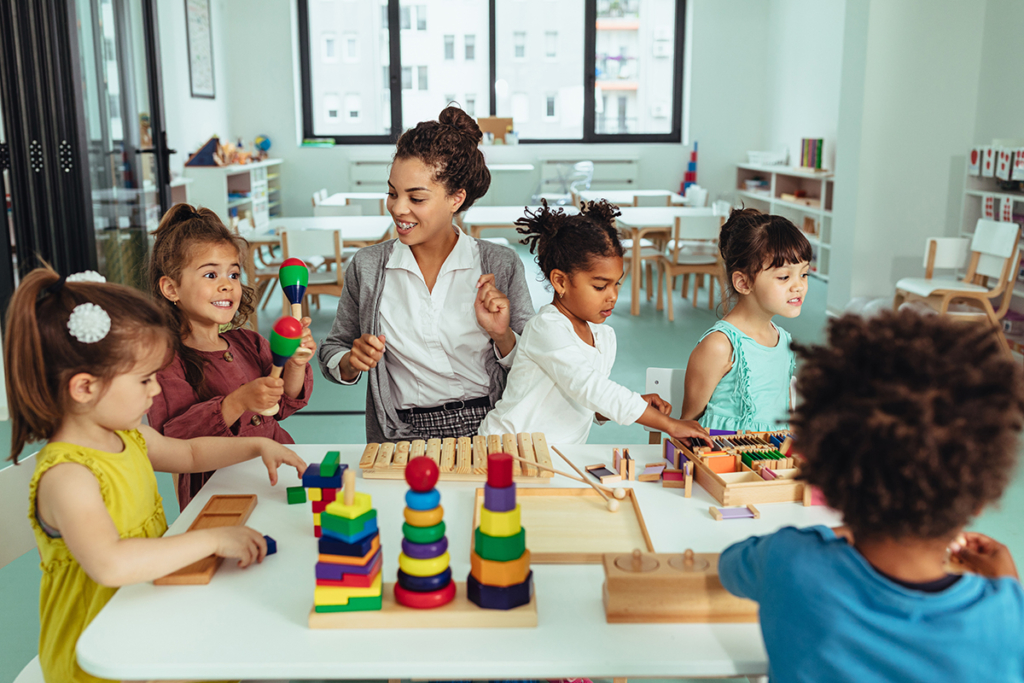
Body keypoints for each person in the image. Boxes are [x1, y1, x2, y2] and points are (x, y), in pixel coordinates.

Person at [6, 267, 305, 683]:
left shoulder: (130, 436)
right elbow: (110, 564)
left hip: (146, 612)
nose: (154, 391)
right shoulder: (68, 476)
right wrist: (213, 539)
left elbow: (191, 450)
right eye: (144, 379)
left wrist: (256, 445)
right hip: (98, 655)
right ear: (84, 388)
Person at [719, 312, 1024, 683]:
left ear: (829, 482)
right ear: (980, 497)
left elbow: (730, 567)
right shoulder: (1007, 619)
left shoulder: (790, 560)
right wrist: (1009, 587)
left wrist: (832, 537)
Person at [318, 106, 533, 442]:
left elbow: (534, 365)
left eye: (416, 198)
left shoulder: (499, 264)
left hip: (493, 426)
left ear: (456, 198)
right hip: (399, 433)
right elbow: (334, 349)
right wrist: (350, 360)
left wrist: (502, 335)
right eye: (392, 193)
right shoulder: (368, 267)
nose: (398, 208)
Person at [479, 201, 711, 445]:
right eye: (600, 286)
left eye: (617, 283)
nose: (612, 296)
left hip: (556, 456)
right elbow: (590, 387)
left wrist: (638, 403)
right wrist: (669, 424)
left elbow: (587, 401)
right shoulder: (547, 327)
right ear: (560, 281)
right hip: (505, 449)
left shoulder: (604, 337)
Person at [147, 203, 315, 510]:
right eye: (211, 274)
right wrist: (237, 401)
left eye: (234, 274)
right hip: (217, 491)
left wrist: (294, 363)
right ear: (171, 288)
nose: (227, 285)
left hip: (274, 472)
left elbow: (284, 404)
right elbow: (172, 440)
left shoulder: (248, 341)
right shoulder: (166, 361)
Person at [681, 208, 811, 432]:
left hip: (771, 461)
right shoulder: (720, 346)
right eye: (784, 276)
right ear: (743, 283)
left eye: (804, 274)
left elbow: (786, 421)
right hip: (722, 462)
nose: (799, 286)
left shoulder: (784, 341)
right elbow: (686, 427)